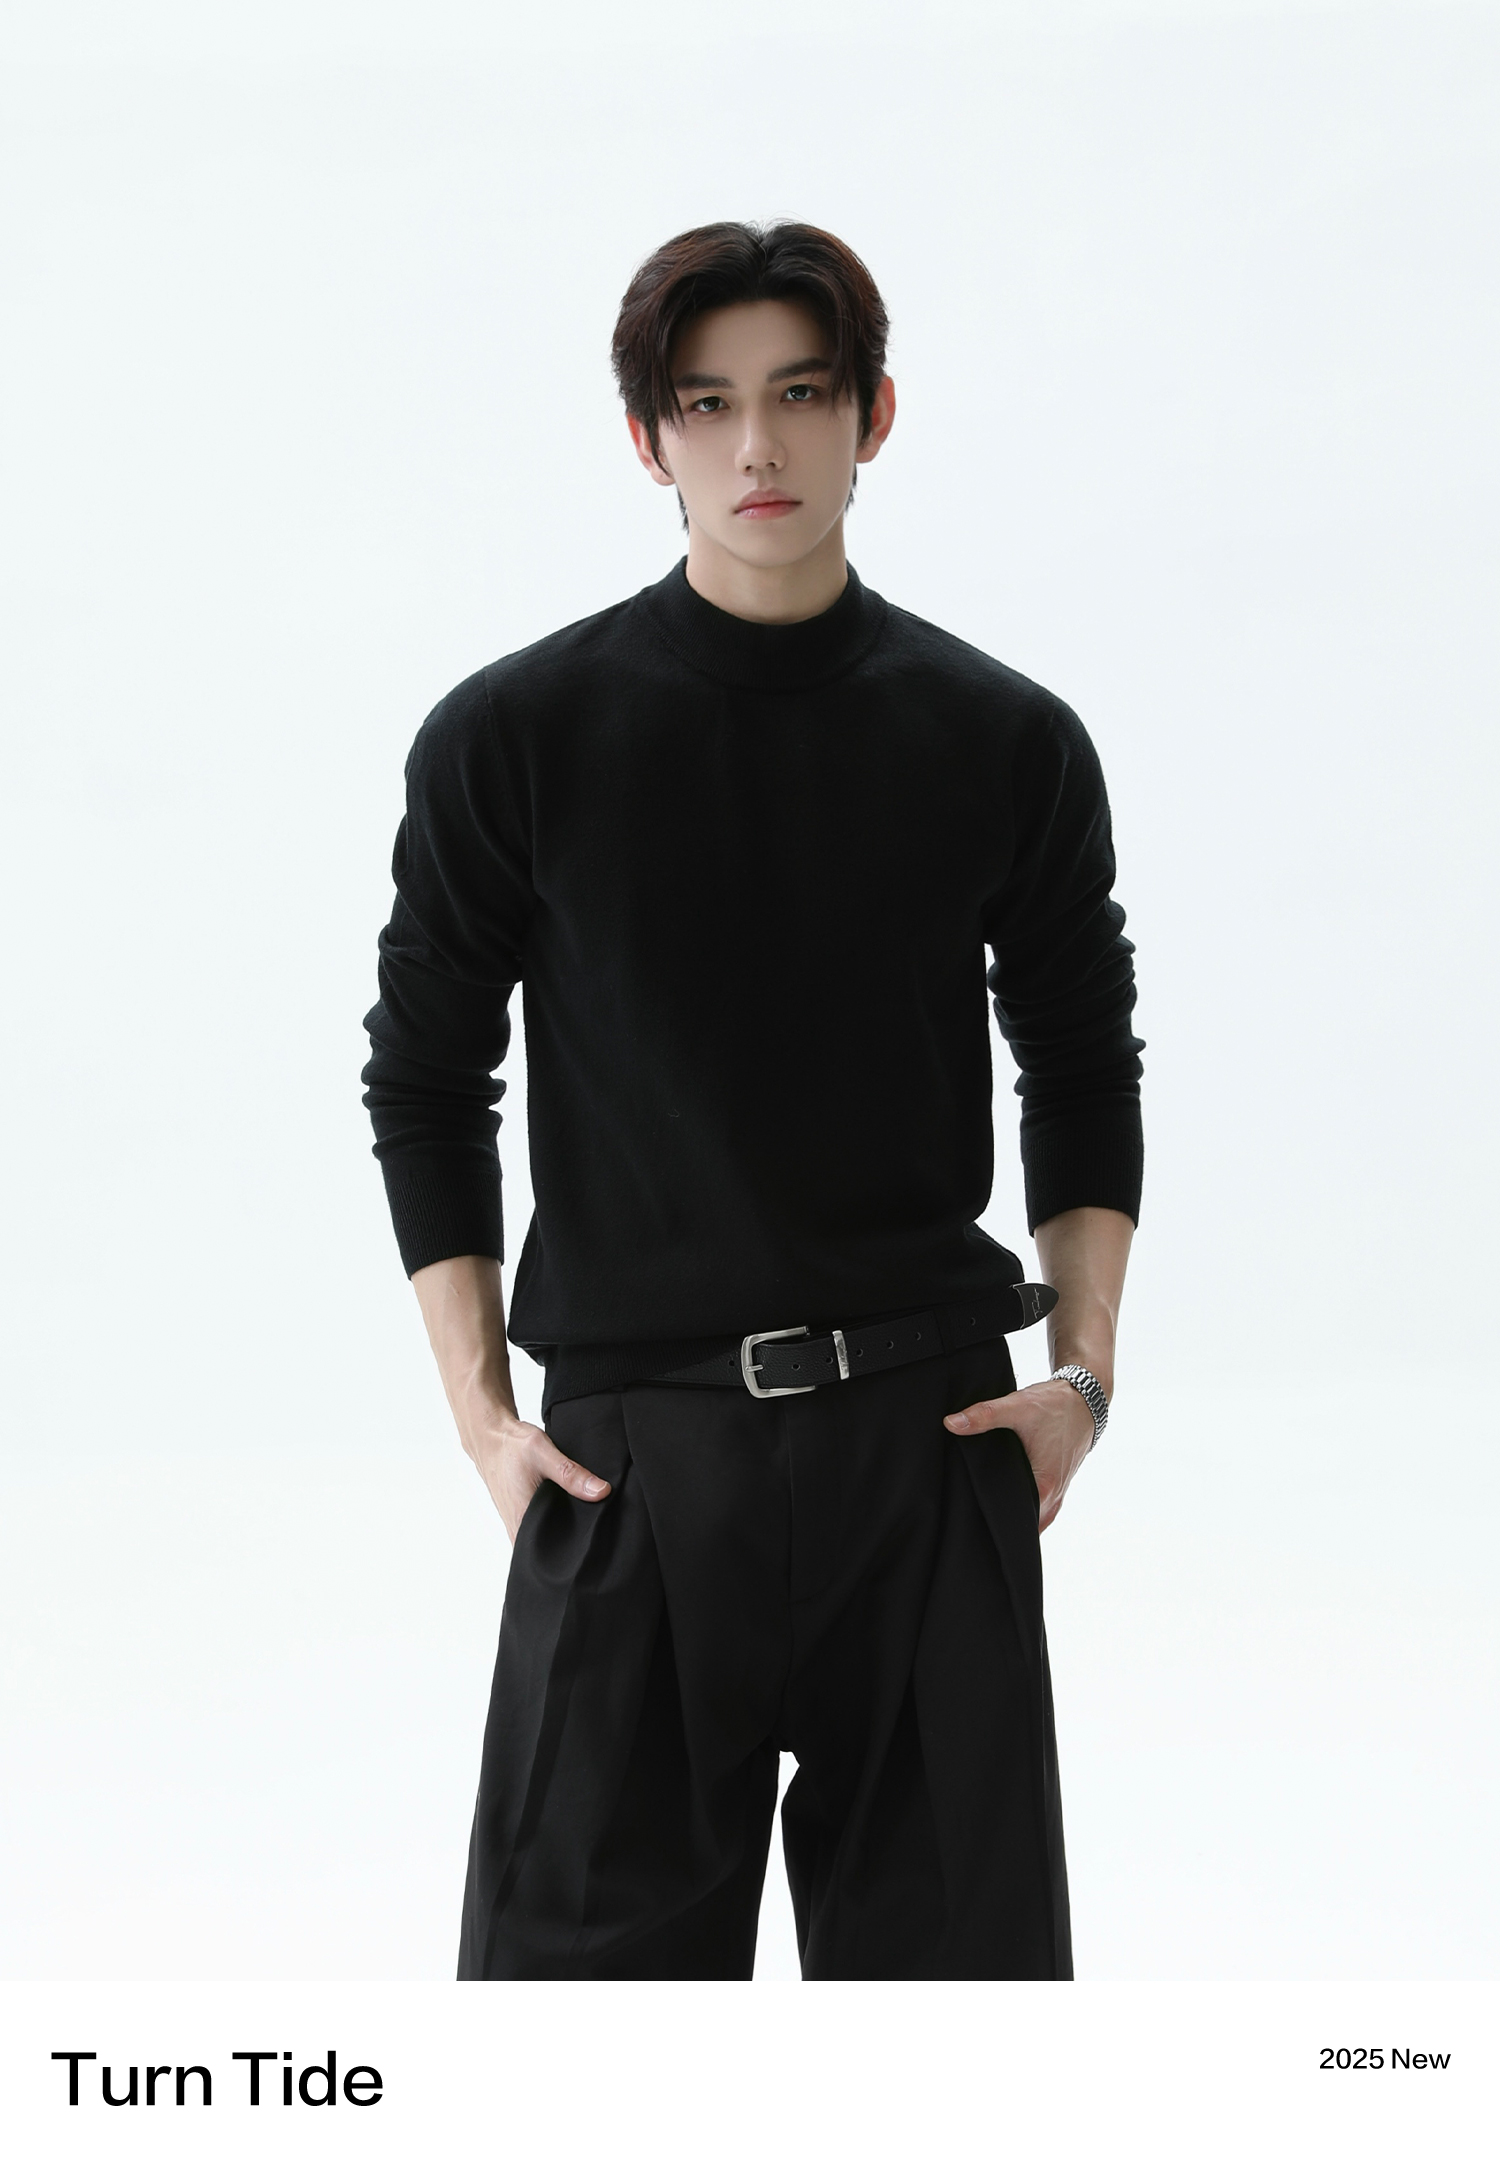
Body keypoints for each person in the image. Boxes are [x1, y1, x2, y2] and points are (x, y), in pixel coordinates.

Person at [361, 219, 1143, 1981]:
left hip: (931, 1450)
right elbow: (425, 1077)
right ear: (649, 439)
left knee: (966, 2056)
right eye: (707, 404)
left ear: (876, 414)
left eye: (800, 393)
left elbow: (1084, 1061)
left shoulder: (1004, 740)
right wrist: (484, 1419)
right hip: (634, 1466)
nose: (759, 447)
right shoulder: (515, 739)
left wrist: (1083, 1380)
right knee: (576, 2053)